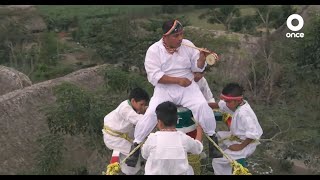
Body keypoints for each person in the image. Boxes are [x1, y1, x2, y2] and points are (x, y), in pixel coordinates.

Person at [125, 19, 222, 167]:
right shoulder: (154, 50)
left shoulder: (188, 45)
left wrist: (202, 60)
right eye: (176, 36)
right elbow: (154, 76)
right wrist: (177, 80)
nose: (180, 38)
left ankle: (213, 141)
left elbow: (197, 69)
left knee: (202, 106)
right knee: (152, 113)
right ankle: (136, 146)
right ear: (165, 37)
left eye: (181, 34)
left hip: (188, 86)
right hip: (165, 88)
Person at [211, 83, 263, 175]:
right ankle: (226, 157)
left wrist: (239, 147)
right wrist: (203, 106)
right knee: (218, 136)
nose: (226, 104)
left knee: (217, 161)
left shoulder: (244, 114)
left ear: (238, 100)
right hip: (236, 137)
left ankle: (225, 162)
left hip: (246, 144)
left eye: (228, 102)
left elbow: (253, 133)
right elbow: (220, 105)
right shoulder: (237, 104)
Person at [141, 101, 204, 175]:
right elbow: (198, 148)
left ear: (159, 123)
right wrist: (199, 128)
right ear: (176, 120)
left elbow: (144, 155)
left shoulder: (152, 139)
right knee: (189, 170)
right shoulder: (183, 138)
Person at [102, 87, 149, 175]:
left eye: (144, 105)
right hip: (114, 138)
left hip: (122, 136)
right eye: (141, 104)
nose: (143, 107)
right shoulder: (125, 109)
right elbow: (141, 121)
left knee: (137, 149)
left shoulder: (133, 107)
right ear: (133, 101)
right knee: (133, 155)